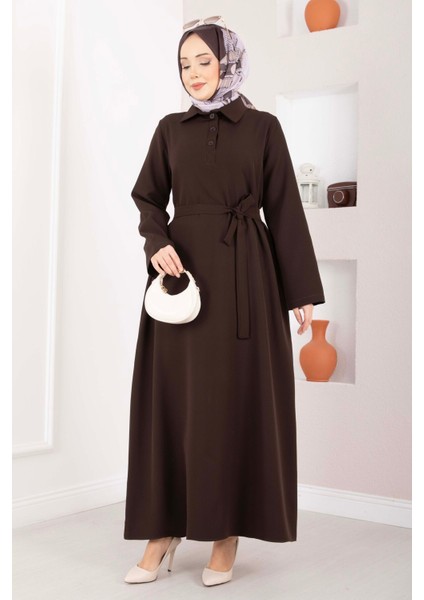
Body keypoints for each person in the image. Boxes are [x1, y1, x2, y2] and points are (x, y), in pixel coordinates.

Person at [123, 16, 325, 587]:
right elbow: (147, 198)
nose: (193, 73)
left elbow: (284, 208)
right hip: (182, 282)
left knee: (230, 404)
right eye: (184, 64)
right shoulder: (170, 129)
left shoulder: (262, 127)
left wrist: (300, 291)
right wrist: (157, 243)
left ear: (227, 62)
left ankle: (225, 532)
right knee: (173, 403)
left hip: (244, 283)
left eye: (204, 62)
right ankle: (162, 530)